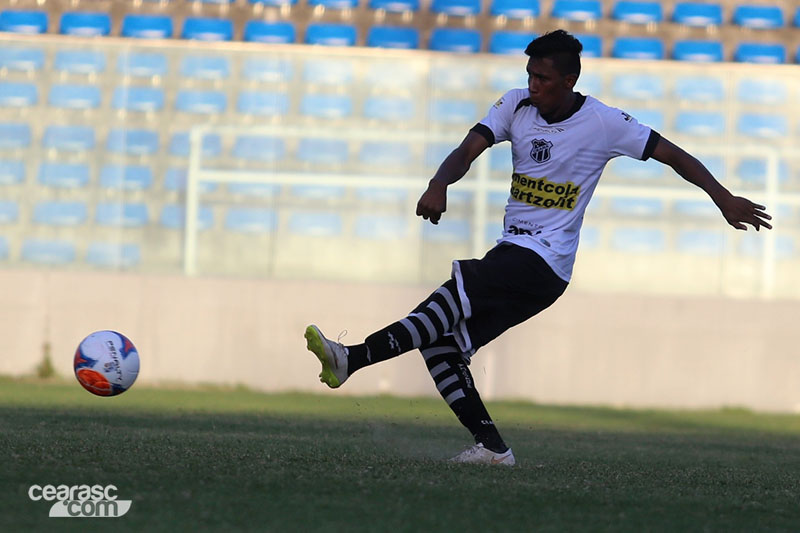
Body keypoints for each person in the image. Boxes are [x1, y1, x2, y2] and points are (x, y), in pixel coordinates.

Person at [303, 30, 773, 466]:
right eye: (529, 75)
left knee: (453, 296)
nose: (533, 85)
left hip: (544, 261)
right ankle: (492, 449)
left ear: (569, 81)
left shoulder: (605, 123)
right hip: (520, 256)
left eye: (543, 78)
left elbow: (672, 154)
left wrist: (723, 197)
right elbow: (468, 149)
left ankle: (352, 359)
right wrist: (439, 183)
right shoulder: (514, 106)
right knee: (443, 347)